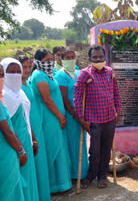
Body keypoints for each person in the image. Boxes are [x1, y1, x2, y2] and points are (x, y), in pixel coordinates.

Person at [74, 45, 121, 189]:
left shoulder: (110, 72)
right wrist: (81, 119)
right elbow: (77, 98)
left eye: (101, 57)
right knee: (94, 151)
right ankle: (90, 176)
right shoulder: (84, 74)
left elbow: (116, 93)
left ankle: (102, 176)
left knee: (106, 149)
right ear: (90, 59)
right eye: (95, 57)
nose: (98, 59)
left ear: (104, 57)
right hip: (93, 120)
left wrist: (117, 111)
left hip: (109, 118)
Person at [30, 49, 72, 193]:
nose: (50, 63)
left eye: (51, 60)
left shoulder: (48, 74)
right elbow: (47, 100)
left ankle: (62, 182)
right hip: (49, 118)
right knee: (54, 147)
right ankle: (54, 184)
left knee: (60, 146)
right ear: (38, 61)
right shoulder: (39, 75)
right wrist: (60, 116)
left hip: (54, 117)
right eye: (46, 61)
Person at [1, 58, 39, 201]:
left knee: (29, 176)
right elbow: (7, 127)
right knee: (20, 179)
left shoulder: (20, 93)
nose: (16, 75)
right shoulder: (4, 95)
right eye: (11, 73)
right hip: (15, 144)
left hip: (26, 139)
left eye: (18, 72)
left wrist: (34, 139)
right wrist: (19, 148)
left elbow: (26, 118)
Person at [18, 55, 51, 200]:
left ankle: (42, 194)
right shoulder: (16, 87)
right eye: (23, 67)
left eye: (28, 66)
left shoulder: (27, 83)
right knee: (34, 162)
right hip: (29, 129)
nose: (27, 70)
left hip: (37, 125)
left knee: (40, 161)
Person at [55, 49, 89, 181]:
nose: (70, 59)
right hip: (71, 115)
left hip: (82, 113)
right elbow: (64, 99)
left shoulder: (79, 73)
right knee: (72, 144)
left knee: (82, 143)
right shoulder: (60, 76)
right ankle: (74, 174)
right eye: (67, 57)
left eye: (72, 56)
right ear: (62, 60)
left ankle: (84, 171)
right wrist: (76, 116)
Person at [0, 63, 26, 201]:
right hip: (5, 153)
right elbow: (7, 131)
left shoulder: (1, 99)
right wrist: (21, 150)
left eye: (2, 75)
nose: (1, 79)